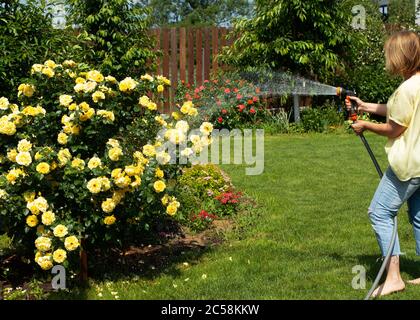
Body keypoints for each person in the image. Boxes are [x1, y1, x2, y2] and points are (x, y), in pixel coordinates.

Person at [347, 31, 420, 297]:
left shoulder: (406, 88)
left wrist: (364, 125)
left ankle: (393, 278)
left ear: (400, 56)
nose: (387, 60)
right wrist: (365, 106)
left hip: (407, 166)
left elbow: (394, 128)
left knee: (379, 213)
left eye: (389, 54)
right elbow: (400, 112)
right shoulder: (417, 84)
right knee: (419, 216)